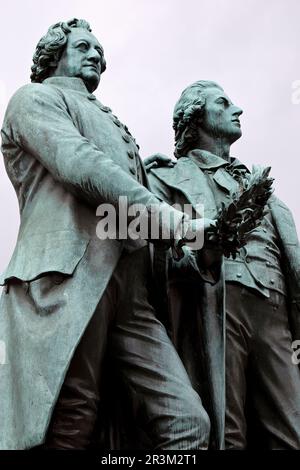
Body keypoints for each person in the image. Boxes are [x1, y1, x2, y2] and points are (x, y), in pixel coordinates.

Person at [0, 20, 211, 450]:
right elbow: (81, 166)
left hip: (132, 291)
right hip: (70, 277)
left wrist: (188, 248)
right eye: (84, 46)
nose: (97, 55)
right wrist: (171, 220)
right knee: (72, 416)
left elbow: (126, 212)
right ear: (55, 54)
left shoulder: (115, 126)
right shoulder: (34, 99)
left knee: (189, 423)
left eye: (100, 49)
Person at [148, 80, 300, 449]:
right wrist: (205, 253)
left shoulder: (263, 187)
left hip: (275, 309)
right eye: (224, 102)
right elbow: (153, 257)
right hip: (216, 302)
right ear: (196, 116)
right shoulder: (164, 178)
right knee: (226, 431)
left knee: (290, 430)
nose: (238, 110)